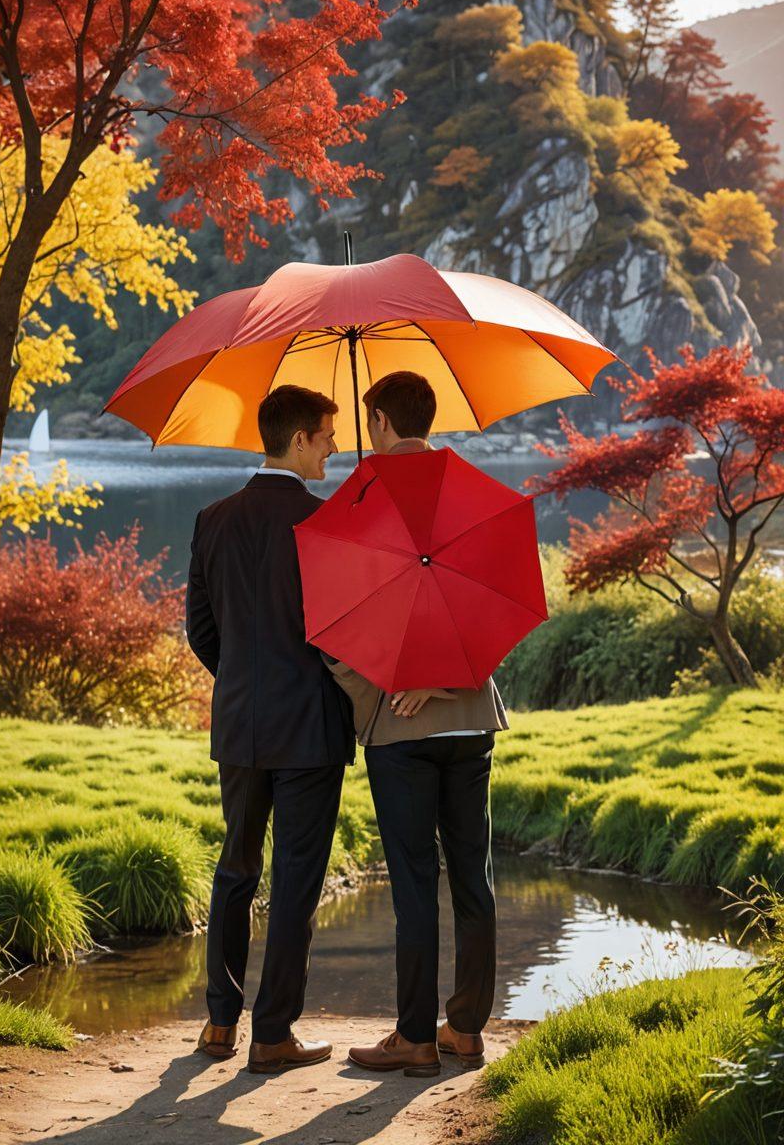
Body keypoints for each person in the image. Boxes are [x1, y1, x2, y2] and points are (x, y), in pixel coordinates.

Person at [327, 371, 508, 1078]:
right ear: (429, 417)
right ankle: (465, 1027)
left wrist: (386, 687)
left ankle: (414, 1038)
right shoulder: (472, 493)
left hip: (398, 730)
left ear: (375, 418)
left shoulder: (360, 495)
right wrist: (447, 681)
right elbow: (500, 612)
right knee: (473, 877)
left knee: (412, 882)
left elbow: (328, 630)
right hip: (470, 722)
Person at [185, 384, 355, 1074]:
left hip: (241, 722)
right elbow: (341, 636)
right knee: (295, 882)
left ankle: (220, 1025)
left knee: (235, 868)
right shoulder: (326, 523)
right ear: (299, 440)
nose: (335, 447)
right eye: (327, 435)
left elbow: (201, 630)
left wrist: (244, 681)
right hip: (310, 726)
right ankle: (273, 1034)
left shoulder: (212, 518)